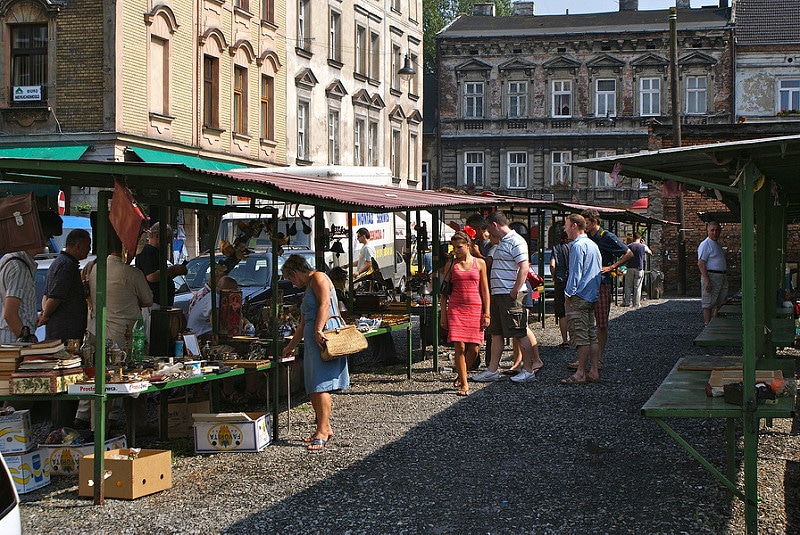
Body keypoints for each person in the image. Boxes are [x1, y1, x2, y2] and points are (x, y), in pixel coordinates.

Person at [75, 228, 154, 429]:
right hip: (125, 335)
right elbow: (148, 300)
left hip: (98, 332)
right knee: (132, 378)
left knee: (99, 381)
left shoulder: (94, 268)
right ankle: (135, 424)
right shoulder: (132, 273)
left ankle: (94, 423)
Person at [281, 254, 349, 452]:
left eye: (290, 279)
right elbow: (303, 322)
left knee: (321, 384)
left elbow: (325, 305)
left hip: (323, 335)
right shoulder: (309, 285)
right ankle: (324, 427)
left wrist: (318, 330)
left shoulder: (318, 277)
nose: (292, 284)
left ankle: (322, 430)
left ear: (295, 272)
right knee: (313, 385)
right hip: (313, 338)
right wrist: (292, 345)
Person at [471, 211, 544, 384]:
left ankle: (527, 370)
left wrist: (515, 290)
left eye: (489, 227)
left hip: (509, 294)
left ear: (495, 225)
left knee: (518, 331)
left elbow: (524, 267)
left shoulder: (516, 241)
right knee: (496, 333)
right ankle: (492, 370)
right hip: (499, 293)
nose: (488, 231)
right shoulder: (503, 241)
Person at [567, 209, 632, 371]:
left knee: (600, 323)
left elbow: (628, 253)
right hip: (587, 286)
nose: (585, 226)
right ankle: (584, 359)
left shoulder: (607, 237)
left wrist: (612, 267)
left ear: (594, 222)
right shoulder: (586, 238)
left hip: (602, 282)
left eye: (587, 222)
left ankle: (599, 359)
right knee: (585, 324)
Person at [440, 231, 490, 396]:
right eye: (454, 247)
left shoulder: (480, 263)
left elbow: (485, 290)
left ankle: (462, 374)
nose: (456, 250)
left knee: (475, 349)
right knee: (459, 346)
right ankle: (465, 384)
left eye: (459, 247)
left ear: (468, 245)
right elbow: (443, 292)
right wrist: (443, 315)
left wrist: (487, 313)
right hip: (456, 308)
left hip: (475, 308)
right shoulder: (451, 264)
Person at [560, 214, 602, 385]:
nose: (565, 229)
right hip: (591, 295)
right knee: (591, 334)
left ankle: (580, 373)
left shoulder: (577, 246)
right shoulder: (593, 245)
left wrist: (569, 293)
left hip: (579, 296)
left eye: (566, 225)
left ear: (574, 226)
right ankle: (593, 371)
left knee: (580, 335)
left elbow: (575, 272)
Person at [38, 229, 92, 342]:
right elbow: (54, 297)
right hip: (65, 332)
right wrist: (45, 315)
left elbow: (46, 295)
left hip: (61, 330)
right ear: (77, 246)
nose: (89, 250)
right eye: (88, 246)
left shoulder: (58, 262)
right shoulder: (67, 266)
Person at [136, 222, 188, 338]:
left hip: (162, 305)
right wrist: (173, 269)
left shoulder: (158, 253)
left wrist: (174, 272)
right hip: (153, 304)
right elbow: (151, 277)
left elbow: (161, 277)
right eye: (167, 238)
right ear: (158, 236)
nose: (168, 242)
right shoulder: (147, 252)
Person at [465, 213, 495, 369]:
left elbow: (488, 263)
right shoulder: (475, 243)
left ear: (477, 229)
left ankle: (490, 362)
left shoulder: (492, 244)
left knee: (489, 329)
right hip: (474, 291)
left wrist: (476, 254)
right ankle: (473, 360)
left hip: (489, 290)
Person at [0, 245, 41, 344]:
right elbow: (10, 314)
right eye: (46, 237)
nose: (46, 242)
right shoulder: (19, 268)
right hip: (14, 342)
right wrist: (27, 343)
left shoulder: (8, 259)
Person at [697, 221, 728, 324]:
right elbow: (701, 263)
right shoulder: (705, 244)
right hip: (711, 275)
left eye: (717, 230)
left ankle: (715, 323)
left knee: (720, 300)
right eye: (712, 230)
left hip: (721, 275)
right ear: (708, 231)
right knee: (708, 302)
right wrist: (707, 280)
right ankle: (707, 324)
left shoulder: (717, 244)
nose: (715, 232)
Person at [550, 225, 571, 349]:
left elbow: (552, 265)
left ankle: (565, 340)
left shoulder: (556, 248)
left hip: (560, 282)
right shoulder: (573, 247)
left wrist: (554, 276)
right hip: (571, 281)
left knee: (561, 313)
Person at [623, 232, 652, 308]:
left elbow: (624, 255)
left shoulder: (629, 246)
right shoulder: (643, 246)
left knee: (628, 286)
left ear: (633, 238)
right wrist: (644, 244)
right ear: (640, 238)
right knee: (637, 287)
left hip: (629, 267)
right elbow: (650, 253)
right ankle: (636, 303)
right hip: (639, 268)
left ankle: (626, 302)